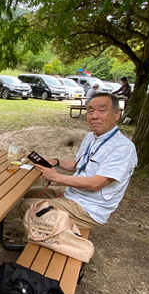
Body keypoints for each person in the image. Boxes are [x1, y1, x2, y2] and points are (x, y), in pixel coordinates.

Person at [19, 92, 138, 230]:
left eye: (102, 110)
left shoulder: (123, 148)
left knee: (27, 206)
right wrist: (56, 162)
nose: (94, 116)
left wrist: (55, 177)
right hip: (73, 192)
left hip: (88, 208)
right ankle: (44, 229)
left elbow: (96, 183)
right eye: (90, 111)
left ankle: (45, 239)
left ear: (117, 114)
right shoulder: (90, 137)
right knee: (26, 193)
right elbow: (80, 164)